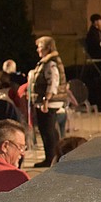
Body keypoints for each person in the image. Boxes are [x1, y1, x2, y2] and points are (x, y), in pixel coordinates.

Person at [28, 36, 68, 167]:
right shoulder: (48, 61)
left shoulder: (50, 63)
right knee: (49, 130)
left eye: (39, 47)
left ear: (47, 48)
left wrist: (46, 99)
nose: (37, 50)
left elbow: (53, 82)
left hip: (49, 102)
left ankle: (50, 157)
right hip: (48, 101)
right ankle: (53, 156)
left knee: (47, 131)